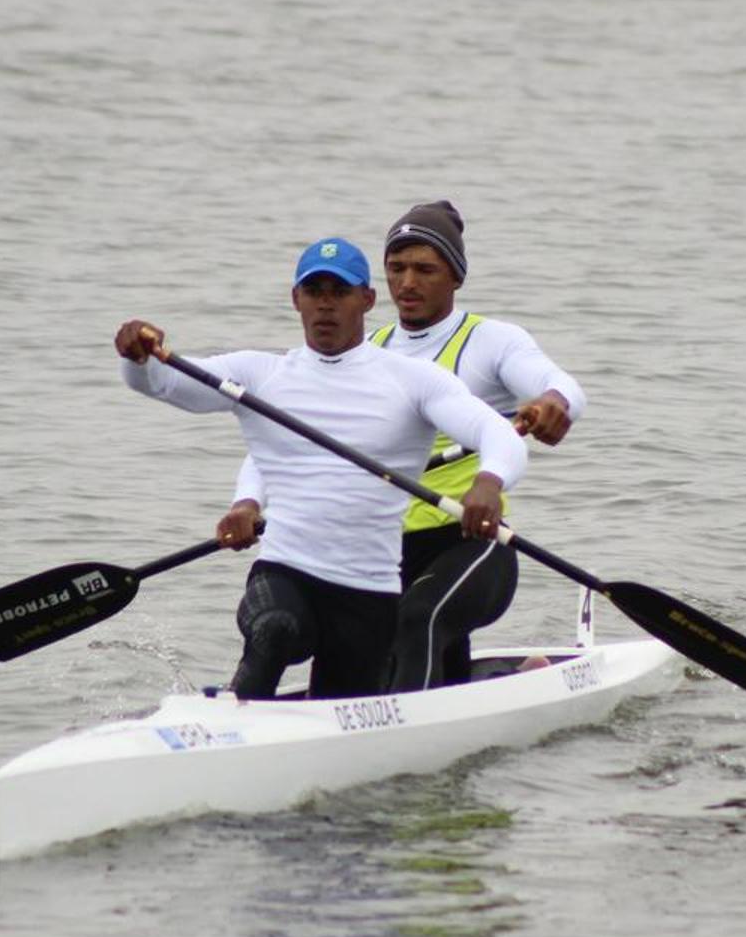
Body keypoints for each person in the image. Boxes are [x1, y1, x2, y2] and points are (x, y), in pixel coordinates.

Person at [115, 237, 526, 702]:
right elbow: (164, 383)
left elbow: (499, 436)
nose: (325, 305)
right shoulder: (259, 375)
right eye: (314, 291)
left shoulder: (414, 381)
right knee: (275, 629)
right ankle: (234, 719)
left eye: (340, 291)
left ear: (367, 300)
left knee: (344, 700)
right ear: (296, 300)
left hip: (367, 593)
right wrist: (137, 357)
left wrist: (489, 483)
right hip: (285, 572)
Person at [244, 201, 586, 690]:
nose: (407, 283)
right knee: (356, 655)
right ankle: (477, 685)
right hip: (379, 552)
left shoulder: (491, 342)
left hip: (470, 542)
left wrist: (552, 401)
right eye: (396, 268)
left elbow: (562, 384)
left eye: (425, 269)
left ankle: (404, 741)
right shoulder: (368, 352)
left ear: (456, 277)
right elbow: (287, 439)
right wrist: (252, 501)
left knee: (417, 618)